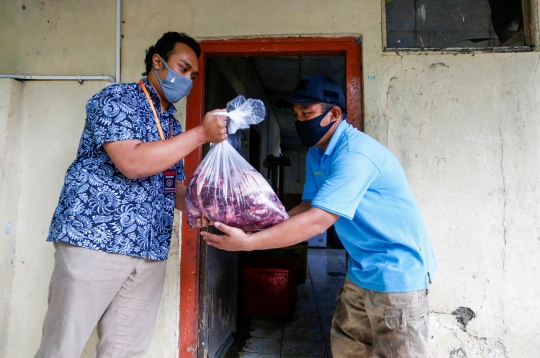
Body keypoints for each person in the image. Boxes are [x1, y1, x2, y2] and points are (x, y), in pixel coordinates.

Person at [200, 75, 437, 357]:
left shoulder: (355, 154)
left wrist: (250, 244)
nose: (300, 121)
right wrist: (256, 230)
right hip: (361, 271)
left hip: (397, 275)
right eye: (297, 114)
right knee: (349, 349)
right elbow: (309, 205)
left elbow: (318, 220)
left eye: (308, 113)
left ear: (333, 114)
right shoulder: (317, 153)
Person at [35, 32, 228, 358]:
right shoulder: (116, 99)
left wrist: (203, 205)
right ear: (158, 61)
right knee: (62, 348)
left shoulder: (171, 125)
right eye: (183, 68)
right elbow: (133, 163)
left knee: (125, 352)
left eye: (193, 76)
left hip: (149, 251)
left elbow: (172, 187)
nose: (188, 80)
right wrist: (202, 134)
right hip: (95, 243)